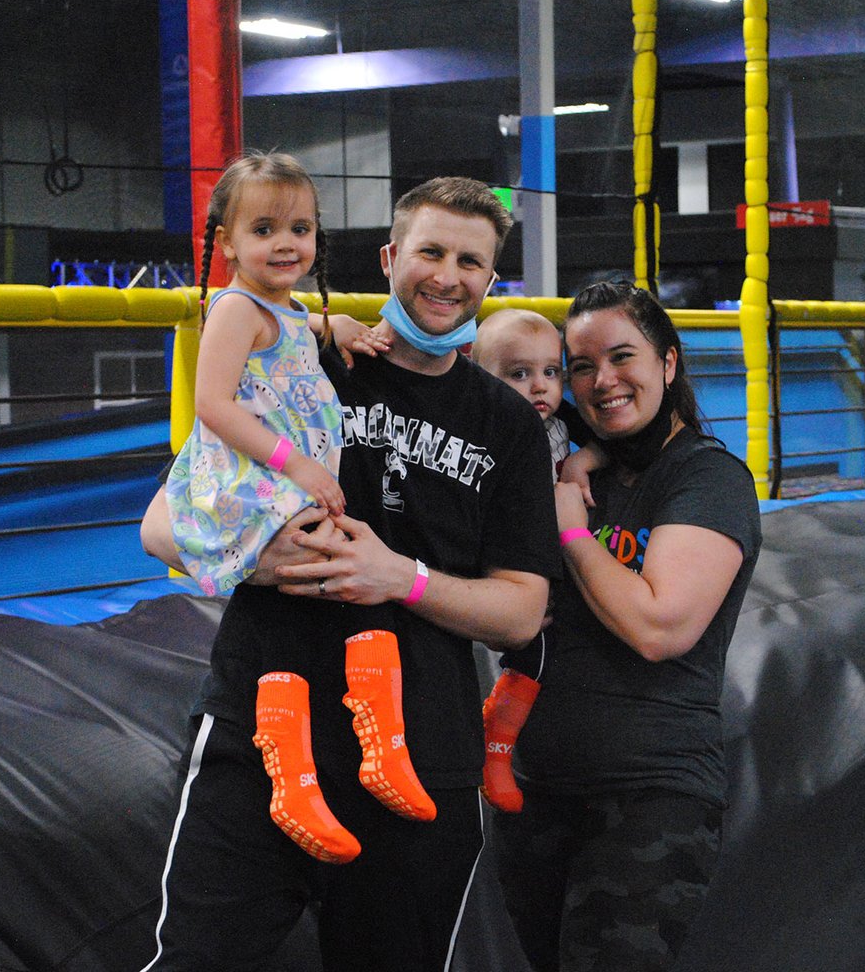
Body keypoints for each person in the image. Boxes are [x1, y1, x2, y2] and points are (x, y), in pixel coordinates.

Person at [138, 176, 560, 972]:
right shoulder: (306, 358)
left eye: (471, 262)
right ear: (391, 257)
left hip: (418, 752)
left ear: (491, 279)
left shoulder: (506, 421)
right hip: (264, 731)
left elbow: (519, 613)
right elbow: (161, 523)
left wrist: (399, 577)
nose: (448, 277)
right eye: (431, 252)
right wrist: (262, 558)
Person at [164, 151, 431, 866]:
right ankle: (296, 771)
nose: (286, 244)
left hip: (288, 480)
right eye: (264, 230)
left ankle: (381, 742)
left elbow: (298, 334)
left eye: (301, 229)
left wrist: (339, 327)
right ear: (226, 242)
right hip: (256, 478)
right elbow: (212, 404)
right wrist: (296, 464)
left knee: (352, 579)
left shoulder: (282, 311)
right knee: (324, 576)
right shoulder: (234, 310)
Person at [492, 280, 762, 972]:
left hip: (649, 796)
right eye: (581, 366)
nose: (602, 380)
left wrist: (572, 536)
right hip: (537, 792)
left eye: (621, 357)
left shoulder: (708, 479)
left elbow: (659, 627)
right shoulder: (565, 466)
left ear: (668, 362)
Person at [471, 308, 598, 812]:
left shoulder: (562, 422)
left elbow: (616, 442)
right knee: (531, 650)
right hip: (505, 559)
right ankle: (496, 745)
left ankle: (500, 741)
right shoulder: (484, 426)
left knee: (552, 646)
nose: (540, 386)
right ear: (481, 379)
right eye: (519, 373)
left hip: (551, 557)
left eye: (551, 371)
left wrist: (583, 460)